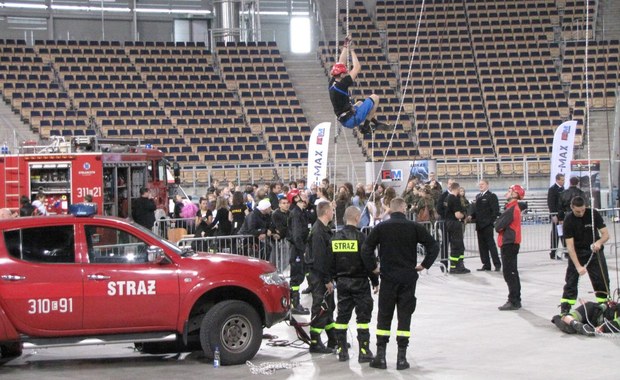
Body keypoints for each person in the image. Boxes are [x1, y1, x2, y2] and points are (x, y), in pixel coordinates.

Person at [363, 197, 439, 370]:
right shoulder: (414, 227)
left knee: (384, 316)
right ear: (404, 209)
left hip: (388, 279)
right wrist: (424, 265)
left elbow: (366, 248)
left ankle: (381, 357)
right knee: (404, 317)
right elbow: (433, 246)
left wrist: (373, 268)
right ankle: (401, 359)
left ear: (390, 209)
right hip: (408, 279)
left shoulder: (381, 227)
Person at [330, 206, 379, 363]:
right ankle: (364, 351)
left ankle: (341, 350)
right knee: (363, 318)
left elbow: (329, 262)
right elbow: (368, 262)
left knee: (341, 318)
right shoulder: (361, 238)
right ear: (357, 218)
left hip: (342, 283)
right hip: (360, 283)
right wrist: (375, 281)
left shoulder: (335, 238)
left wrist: (331, 279)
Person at [559, 196, 610, 315]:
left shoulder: (593, 214)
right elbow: (570, 247)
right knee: (571, 281)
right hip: (577, 252)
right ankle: (565, 308)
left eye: (583, 210)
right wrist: (578, 266)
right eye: (578, 211)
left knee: (601, 280)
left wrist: (599, 242)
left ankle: (604, 307)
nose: (581, 213)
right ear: (572, 208)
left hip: (594, 252)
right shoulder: (568, 220)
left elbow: (606, 235)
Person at [328, 36, 389, 135]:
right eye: (345, 72)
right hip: (351, 119)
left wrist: (345, 45)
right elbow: (357, 67)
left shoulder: (332, 83)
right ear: (342, 74)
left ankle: (376, 122)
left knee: (360, 103)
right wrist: (351, 50)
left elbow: (341, 62)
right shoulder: (343, 84)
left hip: (344, 118)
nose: (347, 73)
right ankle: (365, 127)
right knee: (375, 98)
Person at [305, 201, 336, 354]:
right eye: (332, 210)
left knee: (329, 307)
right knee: (320, 308)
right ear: (326, 212)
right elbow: (320, 259)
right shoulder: (318, 232)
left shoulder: (324, 229)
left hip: (324, 275)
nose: (333, 212)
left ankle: (333, 339)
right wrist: (327, 280)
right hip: (319, 277)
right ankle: (315, 342)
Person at [494, 185, 525, 311]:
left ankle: (513, 300)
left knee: (510, 273)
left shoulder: (511, 209)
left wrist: (498, 224)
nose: (507, 193)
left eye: (509, 191)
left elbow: (498, 226)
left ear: (515, 194)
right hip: (510, 242)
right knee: (512, 272)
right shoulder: (511, 208)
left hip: (509, 242)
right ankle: (515, 298)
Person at [286, 189, 310, 315]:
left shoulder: (301, 212)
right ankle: (295, 303)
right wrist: (303, 250)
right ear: (296, 198)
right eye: (301, 194)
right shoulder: (296, 214)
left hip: (299, 248)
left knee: (300, 275)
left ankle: (294, 303)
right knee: (296, 277)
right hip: (297, 250)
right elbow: (296, 236)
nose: (305, 195)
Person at [469, 179, 501, 271]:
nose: (481, 186)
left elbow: (495, 211)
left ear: (487, 185)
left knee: (491, 245)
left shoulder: (492, 196)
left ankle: (497, 264)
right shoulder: (478, 196)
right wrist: (471, 215)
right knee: (482, 247)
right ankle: (486, 264)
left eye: (482, 184)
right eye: (480, 185)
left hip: (487, 225)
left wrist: (490, 221)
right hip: (479, 225)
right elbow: (476, 211)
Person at [552, 300, 620, 336]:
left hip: (592, 322)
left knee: (570, 328)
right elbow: (615, 323)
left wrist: (601, 328)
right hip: (592, 310)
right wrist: (602, 328)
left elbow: (615, 323)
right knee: (566, 322)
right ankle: (575, 323)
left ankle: (575, 324)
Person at [445, 182, 470, 274]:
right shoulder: (454, 199)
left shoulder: (447, 198)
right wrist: (464, 216)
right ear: (457, 189)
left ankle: (459, 265)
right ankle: (454, 267)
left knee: (458, 245)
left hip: (449, 223)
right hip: (455, 224)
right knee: (457, 245)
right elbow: (457, 215)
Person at [547, 173, 565, 259]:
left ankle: (566, 251)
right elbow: (551, 203)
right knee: (555, 234)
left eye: (563, 180)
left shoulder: (563, 189)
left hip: (562, 215)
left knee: (563, 234)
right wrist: (553, 215)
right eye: (561, 180)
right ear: (557, 180)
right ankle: (553, 252)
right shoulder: (552, 189)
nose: (563, 181)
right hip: (556, 216)